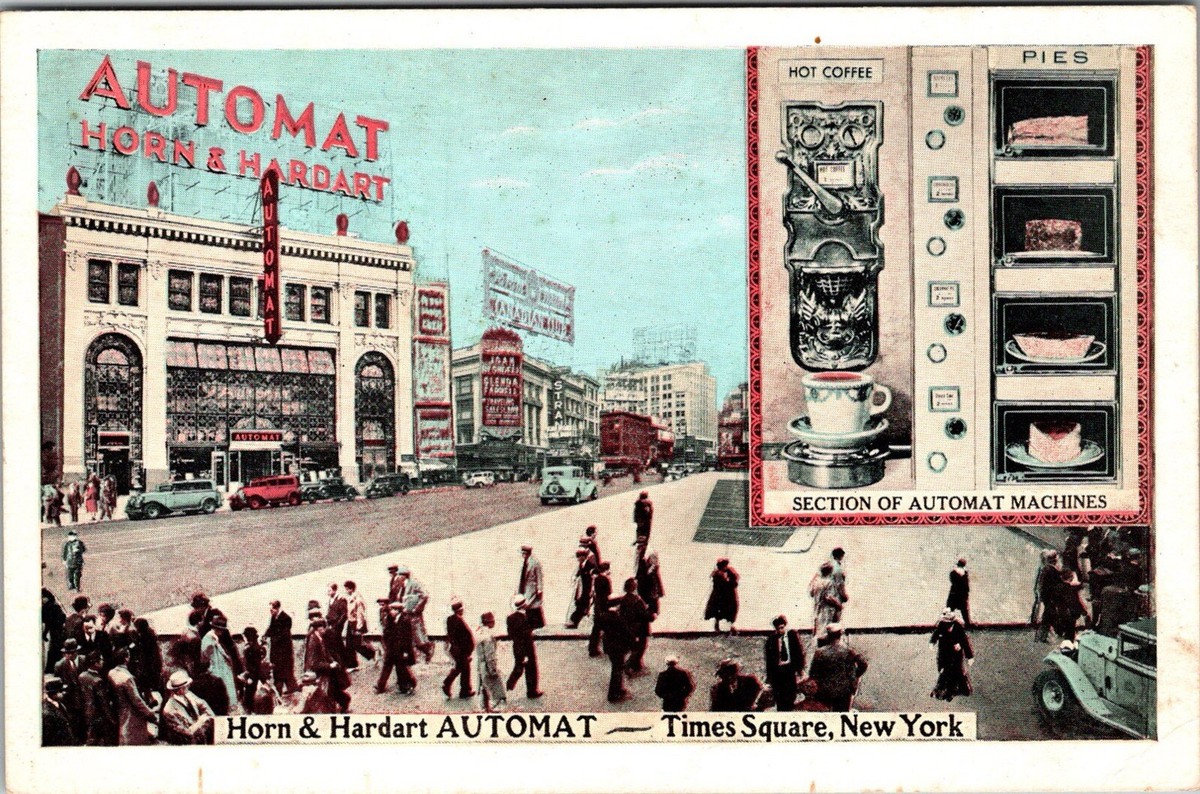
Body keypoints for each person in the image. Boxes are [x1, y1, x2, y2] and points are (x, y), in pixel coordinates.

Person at [807, 624, 868, 711]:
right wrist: (855, 676)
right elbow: (863, 664)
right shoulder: (849, 651)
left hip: (825, 692)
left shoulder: (819, 653)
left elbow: (813, 674)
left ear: (828, 635)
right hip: (844, 691)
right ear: (841, 634)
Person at [107, 647, 159, 745]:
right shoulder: (128, 678)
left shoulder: (112, 673)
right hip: (132, 715)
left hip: (120, 711)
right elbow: (137, 701)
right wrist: (150, 714)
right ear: (126, 658)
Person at [305, 612, 351, 712]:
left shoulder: (319, 638)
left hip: (326, 671)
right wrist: (330, 665)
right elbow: (314, 663)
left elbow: (326, 653)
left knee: (331, 691)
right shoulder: (314, 641)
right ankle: (339, 705)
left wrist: (332, 662)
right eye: (323, 628)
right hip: (320, 673)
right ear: (319, 629)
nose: (325, 630)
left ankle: (341, 703)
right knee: (326, 693)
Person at [160, 670, 216, 744]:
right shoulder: (169, 710)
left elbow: (204, 706)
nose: (189, 687)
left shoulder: (189, 694)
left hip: (201, 739)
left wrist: (208, 718)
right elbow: (186, 733)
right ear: (180, 689)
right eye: (186, 686)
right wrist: (200, 722)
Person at [929, 608, 974, 702]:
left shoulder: (958, 628)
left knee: (956, 671)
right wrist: (932, 642)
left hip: (955, 655)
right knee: (943, 670)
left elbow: (965, 642)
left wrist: (969, 656)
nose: (947, 625)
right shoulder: (941, 625)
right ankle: (941, 689)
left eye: (949, 623)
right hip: (944, 653)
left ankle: (956, 690)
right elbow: (936, 634)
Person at [764, 615, 806, 711]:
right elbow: (769, 661)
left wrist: (800, 670)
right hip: (778, 673)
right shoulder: (771, 640)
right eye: (778, 629)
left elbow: (799, 653)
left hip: (789, 670)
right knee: (779, 698)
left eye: (782, 628)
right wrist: (769, 677)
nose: (780, 631)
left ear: (785, 626)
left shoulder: (792, 636)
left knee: (790, 696)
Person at [393, 566, 435, 663]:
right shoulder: (401, 586)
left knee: (418, 639)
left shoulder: (414, 584)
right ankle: (411, 658)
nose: (397, 577)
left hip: (414, 616)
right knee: (406, 637)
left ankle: (428, 649)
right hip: (404, 615)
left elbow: (425, 596)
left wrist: (417, 608)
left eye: (399, 575)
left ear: (405, 576)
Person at [505, 595, 543, 699]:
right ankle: (532, 691)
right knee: (531, 670)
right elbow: (525, 637)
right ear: (524, 605)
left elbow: (510, 634)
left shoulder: (510, 618)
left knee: (518, 668)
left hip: (516, 647)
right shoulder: (525, 619)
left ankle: (509, 684)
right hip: (526, 649)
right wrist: (526, 654)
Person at [376, 601, 416, 696]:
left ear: (398, 611)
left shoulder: (405, 620)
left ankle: (407, 685)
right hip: (391, 648)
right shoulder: (390, 618)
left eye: (393, 609)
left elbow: (408, 638)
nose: (391, 611)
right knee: (387, 666)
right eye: (391, 609)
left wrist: (406, 651)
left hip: (401, 649)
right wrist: (387, 644)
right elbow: (386, 632)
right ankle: (380, 686)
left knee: (401, 668)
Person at [201, 613, 238, 712]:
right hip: (216, 669)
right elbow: (206, 657)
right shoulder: (209, 638)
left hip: (221, 668)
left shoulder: (214, 637)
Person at [78, 651, 118, 745]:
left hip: (87, 713)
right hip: (99, 716)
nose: (103, 662)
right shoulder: (98, 681)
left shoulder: (82, 676)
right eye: (101, 660)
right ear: (96, 663)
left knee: (91, 737)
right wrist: (112, 719)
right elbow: (104, 703)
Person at [595, 606, 633, 703]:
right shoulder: (619, 620)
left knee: (616, 669)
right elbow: (627, 633)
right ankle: (614, 694)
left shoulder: (604, 618)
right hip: (619, 648)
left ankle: (618, 689)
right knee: (617, 670)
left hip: (609, 648)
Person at [53, 638, 87, 740]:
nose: (69, 655)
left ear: (77, 651)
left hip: (84, 700)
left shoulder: (84, 660)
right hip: (70, 701)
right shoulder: (59, 665)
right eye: (67, 653)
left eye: (72, 653)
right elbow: (57, 684)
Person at [617, 577, 652, 675]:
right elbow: (643, 615)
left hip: (630, 627)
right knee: (641, 647)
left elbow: (621, 613)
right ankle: (630, 666)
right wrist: (652, 615)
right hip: (641, 628)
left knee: (635, 647)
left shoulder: (624, 599)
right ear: (634, 588)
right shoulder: (637, 600)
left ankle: (638, 665)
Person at [443, 599, 475, 699]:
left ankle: (465, 690)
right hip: (461, 650)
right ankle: (450, 685)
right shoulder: (458, 620)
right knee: (462, 669)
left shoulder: (450, 619)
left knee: (463, 669)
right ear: (460, 610)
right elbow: (462, 636)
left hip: (458, 649)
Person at [475, 612, 506, 712]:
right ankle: (494, 709)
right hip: (487, 666)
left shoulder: (478, 632)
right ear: (489, 622)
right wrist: (493, 670)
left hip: (480, 664)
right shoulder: (488, 636)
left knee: (483, 687)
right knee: (497, 691)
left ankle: (485, 708)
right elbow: (490, 655)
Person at [265, 600, 297, 695]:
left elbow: (284, 635)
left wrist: (273, 639)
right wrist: (265, 635)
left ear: (277, 608)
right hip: (276, 654)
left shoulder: (286, 618)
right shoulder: (274, 617)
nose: (271, 612)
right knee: (278, 675)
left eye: (272, 610)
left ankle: (292, 692)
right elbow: (271, 628)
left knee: (286, 675)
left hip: (284, 654)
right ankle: (279, 694)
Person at [344, 580, 375, 668]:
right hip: (350, 623)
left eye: (347, 589)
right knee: (349, 645)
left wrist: (359, 627)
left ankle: (372, 654)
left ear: (351, 589)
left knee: (357, 645)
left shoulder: (358, 599)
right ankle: (352, 664)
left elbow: (360, 614)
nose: (346, 591)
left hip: (356, 624)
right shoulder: (350, 598)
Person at [1033, 550, 1063, 642]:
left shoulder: (1045, 569)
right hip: (1051, 598)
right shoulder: (1054, 571)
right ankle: (1057, 633)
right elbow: (1059, 585)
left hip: (1046, 597)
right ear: (1055, 560)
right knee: (1050, 616)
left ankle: (1040, 637)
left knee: (1048, 616)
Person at [704, 558, 740, 633]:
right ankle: (718, 626)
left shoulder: (729, 571)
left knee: (731, 610)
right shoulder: (718, 574)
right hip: (720, 596)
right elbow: (722, 583)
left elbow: (735, 580)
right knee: (718, 611)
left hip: (728, 595)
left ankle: (729, 627)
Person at [808, 562, 844, 638]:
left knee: (818, 633)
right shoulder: (829, 582)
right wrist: (839, 605)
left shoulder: (816, 583)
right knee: (826, 633)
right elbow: (829, 597)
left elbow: (811, 593)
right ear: (830, 571)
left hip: (817, 610)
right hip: (826, 611)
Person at [1053, 569, 1090, 642]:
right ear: (1071, 577)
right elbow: (1074, 602)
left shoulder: (1057, 588)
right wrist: (1083, 612)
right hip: (1069, 615)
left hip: (1059, 613)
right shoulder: (1070, 589)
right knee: (1070, 635)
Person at [130, 617, 164, 696]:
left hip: (147, 663)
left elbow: (136, 645)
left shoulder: (142, 638)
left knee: (146, 682)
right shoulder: (150, 633)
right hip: (154, 660)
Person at [516, 545, 546, 630]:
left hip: (532, 589)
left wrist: (540, 589)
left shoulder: (535, 563)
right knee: (526, 606)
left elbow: (539, 576)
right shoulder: (523, 562)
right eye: (522, 553)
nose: (523, 555)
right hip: (524, 588)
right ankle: (529, 626)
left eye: (524, 553)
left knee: (533, 607)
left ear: (528, 553)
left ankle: (537, 626)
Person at [42, 675, 78, 746]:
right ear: (54, 694)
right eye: (61, 691)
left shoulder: (60, 704)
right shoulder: (47, 713)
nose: (64, 693)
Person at [588, 562, 614, 657]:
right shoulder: (606, 580)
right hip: (604, 606)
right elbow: (609, 593)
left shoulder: (597, 579)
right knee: (607, 628)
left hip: (597, 606)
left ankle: (592, 649)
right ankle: (607, 648)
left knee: (596, 629)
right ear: (606, 570)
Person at [634, 539, 665, 619]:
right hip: (643, 583)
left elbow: (654, 571)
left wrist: (660, 589)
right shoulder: (641, 554)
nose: (638, 548)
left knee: (652, 602)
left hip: (649, 584)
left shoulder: (651, 555)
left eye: (640, 546)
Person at [567, 547, 596, 629]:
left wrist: (592, 590)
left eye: (579, 557)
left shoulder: (590, 565)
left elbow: (592, 578)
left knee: (583, 606)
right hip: (583, 589)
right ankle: (575, 621)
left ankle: (574, 621)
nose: (578, 559)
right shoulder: (581, 565)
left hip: (588, 589)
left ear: (583, 557)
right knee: (581, 605)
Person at [239, 626, 267, 712]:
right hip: (255, 674)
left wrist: (250, 676)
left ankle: (250, 710)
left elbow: (254, 665)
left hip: (252, 675)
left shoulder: (252, 648)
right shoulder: (256, 646)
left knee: (249, 695)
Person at [325, 582, 350, 669]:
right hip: (331, 624)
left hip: (337, 625)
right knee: (337, 642)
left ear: (334, 590)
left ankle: (343, 662)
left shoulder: (341, 600)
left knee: (337, 641)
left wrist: (338, 624)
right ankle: (342, 661)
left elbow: (344, 614)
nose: (328, 592)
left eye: (329, 590)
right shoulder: (330, 599)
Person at [42, 588, 68, 674]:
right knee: (54, 649)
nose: (42, 600)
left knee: (54, 649)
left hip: (57, 631)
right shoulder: (53, 605)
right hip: (56, 631)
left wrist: (45, 632)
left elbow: (48, 622)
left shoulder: (50, 607)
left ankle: (51, 668)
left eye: (43, 597)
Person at [947, 558, 971, 627]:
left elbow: (953, 582)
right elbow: (966, 586)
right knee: (964, 611)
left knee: (949, 609)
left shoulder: (953, 572)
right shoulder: (964, 573)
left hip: (954, 594)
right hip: (961, 595)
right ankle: (968, 625)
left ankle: (945, 624)